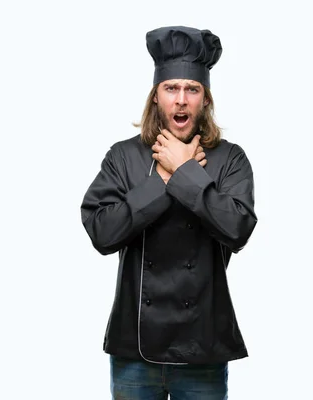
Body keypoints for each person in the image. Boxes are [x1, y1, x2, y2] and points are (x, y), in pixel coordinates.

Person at [80, 26, 257, 399]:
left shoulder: (230, 159)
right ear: (156, 97)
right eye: (171, 88)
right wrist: (162, 179)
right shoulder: (123, 157)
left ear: (205, 100)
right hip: (135, 352)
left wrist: (185, 172)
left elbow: (238, 228)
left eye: (191, 90)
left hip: (202, 348)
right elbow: (101, 232)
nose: (181, 100)